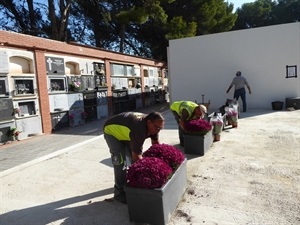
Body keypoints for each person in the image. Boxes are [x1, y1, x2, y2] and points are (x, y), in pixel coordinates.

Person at [103, 111, 165, 204]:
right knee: (121, 164)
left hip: (127, 133)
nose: (158, 130)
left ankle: (133, 186)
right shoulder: (139, 129)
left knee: (134, 161)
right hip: (112, 132)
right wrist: (148, 173)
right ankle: (119, 194)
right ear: (149, 122)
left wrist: (161, 163)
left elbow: (156, 144)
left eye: (160, 128)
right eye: (157, 128)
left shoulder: (153, 126)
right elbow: (137, 158)